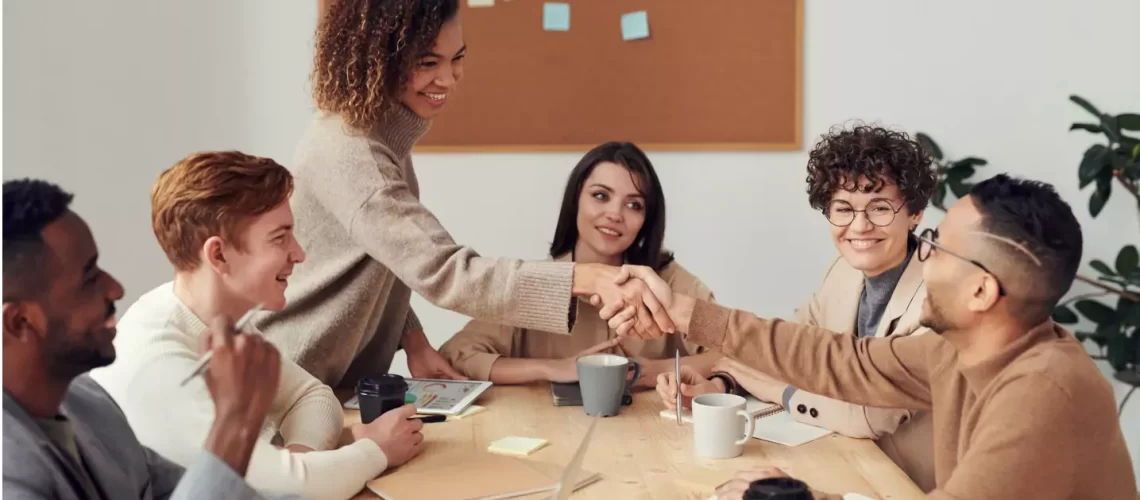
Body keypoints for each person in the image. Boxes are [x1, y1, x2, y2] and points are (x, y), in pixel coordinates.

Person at [612, 175, 1137, 499]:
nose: (921, 254)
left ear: (981, 290)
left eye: (935, 245)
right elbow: (843, 361)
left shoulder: (1044, 391)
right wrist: (684, 312)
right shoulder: (958, 350)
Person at [257, 0, 672, 389]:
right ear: (379, 59)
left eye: (457, 59)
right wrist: (585, 277)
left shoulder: (378, 138)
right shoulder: (354, 154)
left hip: (331, 386)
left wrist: (413, 340)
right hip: (289, 382)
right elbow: (447, 271)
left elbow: (388, 258)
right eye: (427, 63)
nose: (448, 78)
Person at [90, 152, 422, 500]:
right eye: (280, 238)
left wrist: (299, 460)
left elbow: (312, 397)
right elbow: (279, 490)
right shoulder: (159, 367)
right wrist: (375, 450)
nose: (299, 254)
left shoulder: (217, 318)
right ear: (218, 255)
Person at [656, 125, 938, 490]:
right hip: (844, 467)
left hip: (906, 486)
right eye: (843, 209)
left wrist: (781, 391)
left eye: (880, 208)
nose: (860, 225)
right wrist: (721, 383)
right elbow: (785, 350)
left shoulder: (938, 298)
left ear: (915, 213)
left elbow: (868, 416)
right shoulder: (843, 272)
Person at [2, 178, 300, 500]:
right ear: (20, 322)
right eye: (89, 277)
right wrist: (235, 424)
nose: (115, 288)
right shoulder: (10, 476)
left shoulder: (91, 403)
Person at [439, 142, 718, 387]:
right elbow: (456, 355)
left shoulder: (672, 283)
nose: (614, 214)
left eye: (634, 205)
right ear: (575, 200)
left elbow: (737, 354)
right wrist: (553, 368)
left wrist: (658, 370)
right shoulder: (536, 284)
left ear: (647, 220)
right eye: (601, 196)